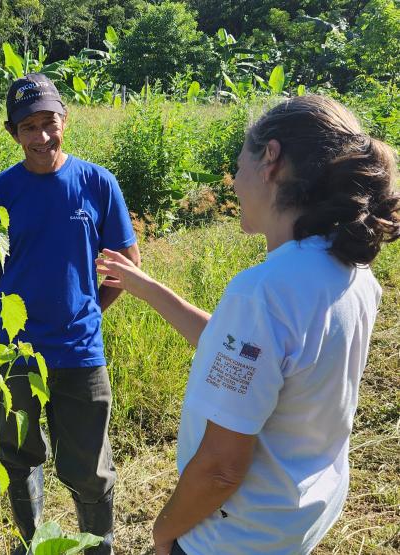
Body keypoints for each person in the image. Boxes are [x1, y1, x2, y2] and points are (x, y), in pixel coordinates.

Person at [96, 95, 400, 555]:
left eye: (239, 165)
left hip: (232, 535)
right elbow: (242, 352)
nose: (235, 182)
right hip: (296, 516)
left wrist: (163, 535)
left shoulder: (263, 291)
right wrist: (148, 287)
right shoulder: (348, 271)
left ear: (270, 160)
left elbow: (220, 469)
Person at [0, 73, 140, 554]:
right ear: (12, 132)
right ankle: (31, 541)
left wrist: (87, 312)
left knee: (89, 466)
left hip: (79, 352)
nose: (42, 137)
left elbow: (125, 265)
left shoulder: (97, 184)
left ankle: (97, 546)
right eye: (29, 127)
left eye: (50, 123)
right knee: (18, 457)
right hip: (13, 354)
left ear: (65, 120)